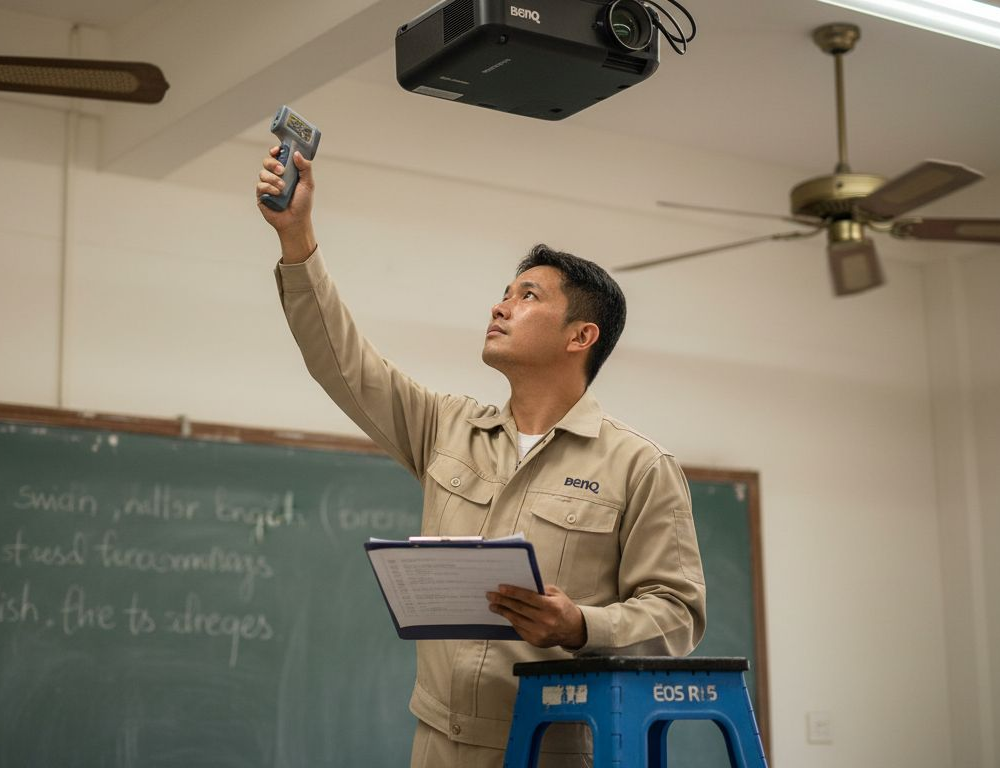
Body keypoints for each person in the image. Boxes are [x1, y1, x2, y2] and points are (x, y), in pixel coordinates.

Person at [256, 147, 706, 768]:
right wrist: (296, 235)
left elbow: (677, 616)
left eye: (527, 296)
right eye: (504, 293)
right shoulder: (446, 425)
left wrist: (580, 626)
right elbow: (343, 362)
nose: (499, 306)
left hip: (559, 744)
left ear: (581, 336)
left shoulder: (640, 467)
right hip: (438, 741)